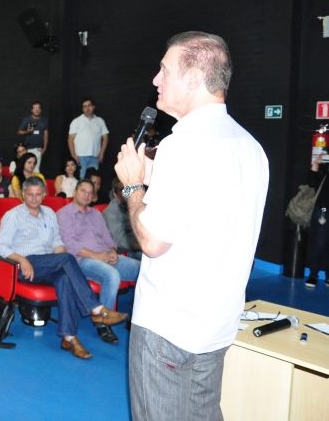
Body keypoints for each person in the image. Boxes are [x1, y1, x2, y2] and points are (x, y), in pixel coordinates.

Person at [114, 31, 268, 420]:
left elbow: (152, 240)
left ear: (195, 78)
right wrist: (152, 170)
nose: (155, 80)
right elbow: (203, 206)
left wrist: (133, 184)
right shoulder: (249, 147)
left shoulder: (185, 146)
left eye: (164, 70)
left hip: (169, 329)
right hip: (215, 326)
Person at [0, 176, 127, 359]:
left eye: (38, 195)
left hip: (48, 263)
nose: (33, 198)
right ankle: (96, 309)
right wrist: (21, 260)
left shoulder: (49, 213)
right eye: (29, 195)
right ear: (23, 195)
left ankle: (69, 337)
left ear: (44, 195)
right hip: (23, 266)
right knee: (66, 259)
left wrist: (59, 252)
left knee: (65, 277)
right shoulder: (13, 215)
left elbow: (57, 242)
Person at [57, 180, 140, 344]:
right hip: (82, 260)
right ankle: (103, 323)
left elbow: (108, 238)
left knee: (141, 270)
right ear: (75, 191)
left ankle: (136, 316)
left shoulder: (96, 214)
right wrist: (98, 256)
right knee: (112, 275)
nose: (87, 195)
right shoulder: (63, 214)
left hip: (105, 256)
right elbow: (71, 245)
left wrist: (113, 252)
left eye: (90, 192)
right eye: (83, 191)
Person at [68, 97, 109, 178]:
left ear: (93, 107)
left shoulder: (100, 121)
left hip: (95, 156)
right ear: (82, 109)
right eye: (84, 106)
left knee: (94, 181)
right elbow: (70, 140)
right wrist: (73, 155)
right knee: (82, 181)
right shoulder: (76, 121)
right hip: (80, 157)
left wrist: (101, 153)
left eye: (89, 105)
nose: (87, 108)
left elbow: (105, 138)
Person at [102, 177, 140, 258]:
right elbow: (120, 241)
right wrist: (143, 245)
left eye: (128, 188)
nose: (127, 192)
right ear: (115, 195)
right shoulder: (111, 212)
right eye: (123, 190)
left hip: (140, 243)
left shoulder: (133, 205)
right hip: (125, 251)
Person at [305, 152, 328, 288]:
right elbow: (311, 184)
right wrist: (315, 165)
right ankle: (313, 274)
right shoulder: (325, 162)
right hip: (324, 209)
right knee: (319, 243)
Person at [17, 101, 49, 171]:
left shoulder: (44, 120)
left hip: (38, 149)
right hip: (27, 149)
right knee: (26, 168)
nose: (36, 109)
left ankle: (34, 182)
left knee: (36, 169)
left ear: (41, 110)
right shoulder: (27, 119)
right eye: (34, 108)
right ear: (32, 110)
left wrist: (44, 148)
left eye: (38, 108)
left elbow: (46, 135)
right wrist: (27, 131)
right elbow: (19, 132)